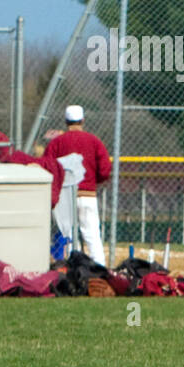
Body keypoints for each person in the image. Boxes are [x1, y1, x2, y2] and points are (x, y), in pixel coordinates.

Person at [43, 105, 112, 265]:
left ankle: (72, 273)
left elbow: (47, 166)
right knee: (92, 236)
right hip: (87, 195)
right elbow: (105, 169)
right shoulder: (94, 141)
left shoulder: (57, 143)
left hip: (65, 198)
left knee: (69, 236)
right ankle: (100, 273)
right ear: (82, 120)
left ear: (66, 121)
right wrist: (94, 182)